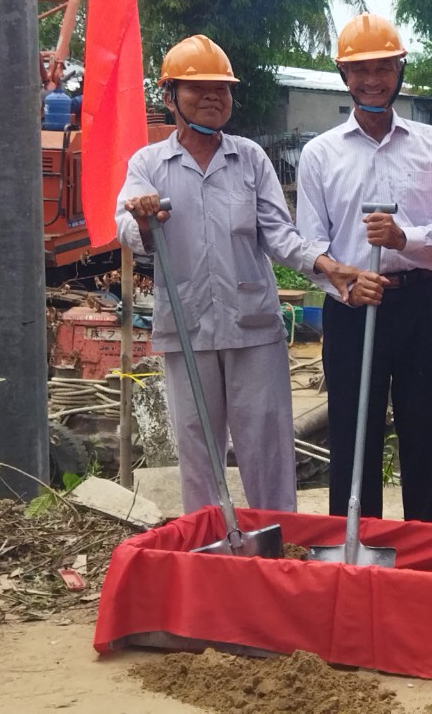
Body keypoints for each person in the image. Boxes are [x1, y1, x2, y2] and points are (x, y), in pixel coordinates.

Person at [117, 34, 354, 514]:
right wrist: (142, 217)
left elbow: (279, 234)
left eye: (221, 89)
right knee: (197, 445)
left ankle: (278, 538)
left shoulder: (249, 159)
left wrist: (323, 263)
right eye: (198, 89)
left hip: (253, 327)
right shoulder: (149, 164)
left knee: (267, 444)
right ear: (170, 96)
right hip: (188, 326)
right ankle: (211, 538)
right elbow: (125, 226)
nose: (212, 98)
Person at [295, 13, 432, 524]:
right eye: (360, 69)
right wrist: (345, 283)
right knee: (353, 437)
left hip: (421, 300)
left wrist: (405, 239)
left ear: (400, 70)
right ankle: (354, 546)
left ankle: (427, 548)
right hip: (353, 309)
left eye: (384, 67)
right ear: (343, 75)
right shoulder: (320, 154)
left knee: (425, 433)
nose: (372, 80)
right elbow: (309, 244)